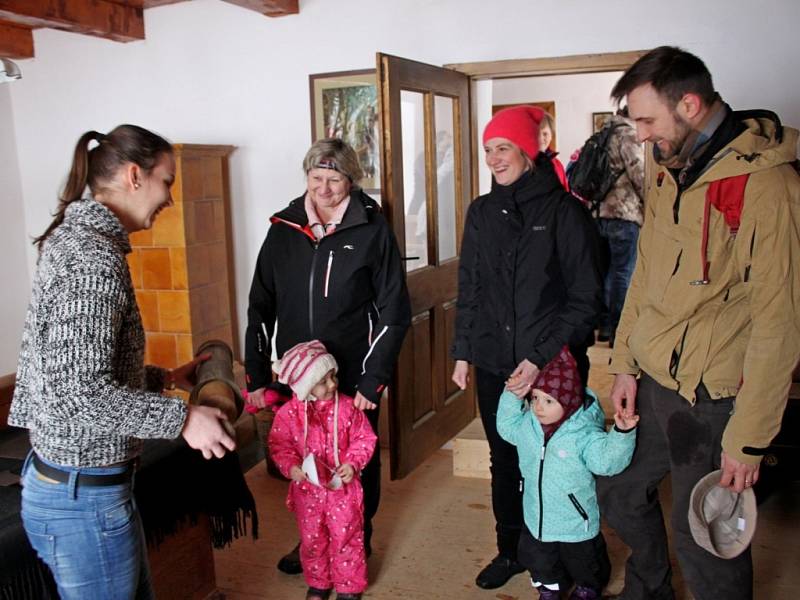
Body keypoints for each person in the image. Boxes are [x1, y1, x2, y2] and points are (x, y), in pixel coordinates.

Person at [596, 46, 800, 600]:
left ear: (689, 104)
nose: (639, 136)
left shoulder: (769, 186)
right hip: (656, 379)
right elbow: (645, 274)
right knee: (616, 488)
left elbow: (780, 323)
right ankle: (650, 591)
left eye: (646, 120)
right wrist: (624, 364)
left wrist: (749, 439)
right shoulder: (666, 165)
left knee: (703, 538)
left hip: (713, 398)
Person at [9, 124, 236, 599]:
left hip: (81, 490)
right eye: (167, 182)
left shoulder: (78, 239)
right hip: (81, 500)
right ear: (135, 175)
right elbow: (78, 393)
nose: (170, 198)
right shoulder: (93, 257)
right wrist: (184, 418)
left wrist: (163, 379)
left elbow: (68, 373)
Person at [451, 105, 604, 590]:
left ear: (527, 150)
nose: (494, 158)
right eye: (488, 150)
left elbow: (586, 299)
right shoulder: (481, 212)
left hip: (553, 366)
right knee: (504, 458)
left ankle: (574, 555)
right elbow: (470, 287)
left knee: (560, 461)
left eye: (503, 147)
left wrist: (537, 358)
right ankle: (511, 549)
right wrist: (462, 351)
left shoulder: (564, 212)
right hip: (496, 362)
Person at [245, 138, 411, 573]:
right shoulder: (282, 228)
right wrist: (258, 376)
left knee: (354, 462)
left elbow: (395, 311)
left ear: (351, 182)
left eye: (334, 179)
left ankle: (356, 541)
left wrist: (374, 378)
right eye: (316, 178)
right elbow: (260, 306)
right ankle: (311, 543)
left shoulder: (372, 229)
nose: (324, 188)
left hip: (352, 377)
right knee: (304, 462)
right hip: (299, 379)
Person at [497, 346, 638, 600]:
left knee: (584, 561)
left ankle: (588, 588)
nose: (539, 407)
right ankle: (549, 588)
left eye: (548, 401)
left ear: (570, 403)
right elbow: (506, 426)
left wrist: (623, 433)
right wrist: (512, 394)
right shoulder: (528, 427)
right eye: (535, 398)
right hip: (537, 517)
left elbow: (608, 462)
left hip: (576, 521)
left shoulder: (582, 435)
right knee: (539, 560)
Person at [269, 340, 377, 600]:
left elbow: (365, 438)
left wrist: (352, 463)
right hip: (308, 493)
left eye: (333, 377)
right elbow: (279, 445)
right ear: (305, 387)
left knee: (346, 537)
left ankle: (349, 587)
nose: (332, 384)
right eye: (324, 381)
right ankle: (319, 582)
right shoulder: (288, 415)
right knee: (312, 539)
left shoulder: (349, 409)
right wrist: (292, 468)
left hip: (343, 492)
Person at [594, 107, 645, 347]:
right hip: (623, 214)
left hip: (598, 215)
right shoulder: (627, 135)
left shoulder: (603, 133)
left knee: (605, 272)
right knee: (622, 273)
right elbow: (640, 175)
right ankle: (618, 330)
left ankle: (603, 326)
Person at [539, 111, 569, 190]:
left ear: (551, 136)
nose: (540, 138)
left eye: (545, 134)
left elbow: (565, 192)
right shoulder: (520, 164)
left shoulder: (557, 164)